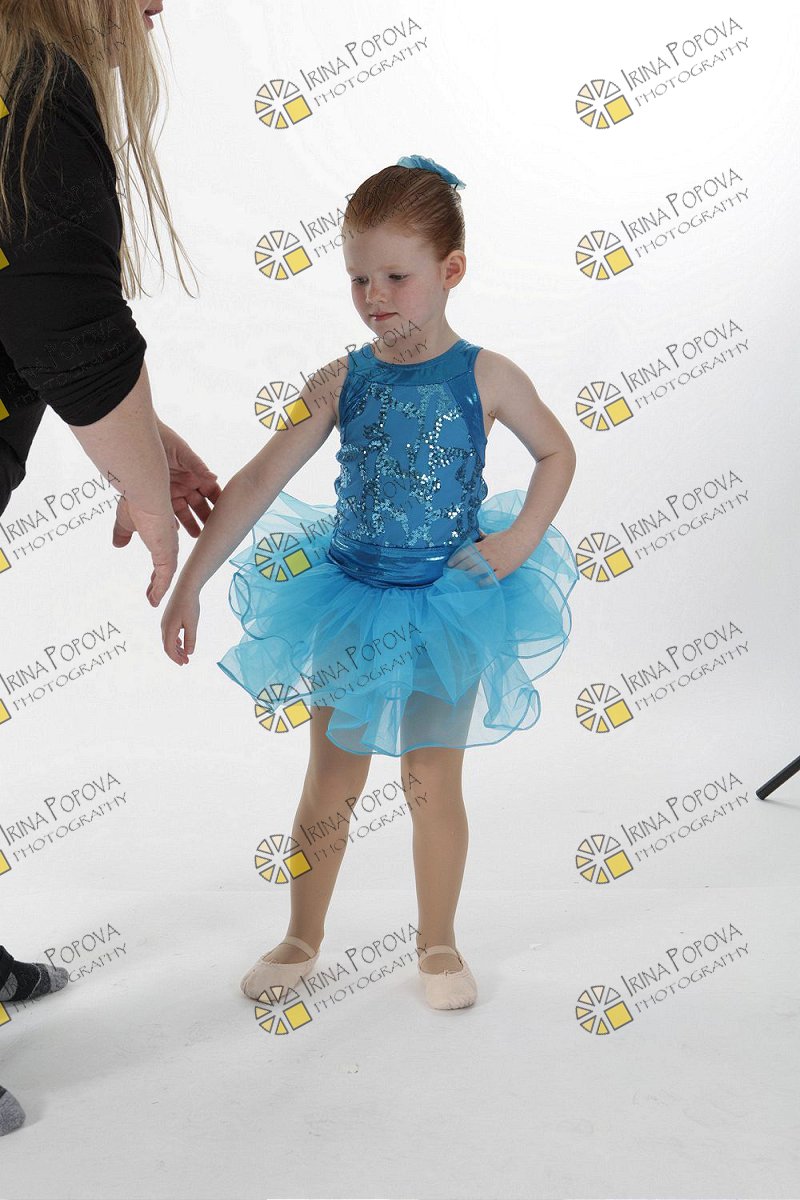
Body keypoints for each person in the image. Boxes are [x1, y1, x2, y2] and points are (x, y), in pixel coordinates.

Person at [160, 154, 580, 1013]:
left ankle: (439, 943)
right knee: (330, 779)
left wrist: (518, 540)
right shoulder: (341, 379)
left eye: (396, 276)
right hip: (353, 600)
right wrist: (192, 579)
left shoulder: (489, 376)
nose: (374, 297)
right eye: (358, 279)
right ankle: (301, 935)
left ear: (451, 270)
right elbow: (258, 479)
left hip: (450, 603)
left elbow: (557, 451)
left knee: (431, 780)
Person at [0, 0, 213, 1134]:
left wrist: (147, 447)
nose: (159, 5)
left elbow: (28, 307)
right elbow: (63, 316)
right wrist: (145, 493)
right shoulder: (33, 80)